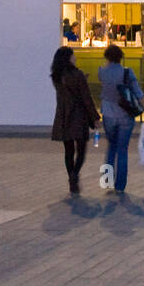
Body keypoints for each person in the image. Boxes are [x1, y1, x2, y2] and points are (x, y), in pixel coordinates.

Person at [97, 44, 144, 195]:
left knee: (111, 147)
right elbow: (139, 94)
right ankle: (120, 186)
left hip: (108, 114)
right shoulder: (127, 73)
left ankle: (107, 181)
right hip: (125, 116)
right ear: (121, 57)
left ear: (107, 57)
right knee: (122, 150)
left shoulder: (102, 72)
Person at [50, 46, 99, 195]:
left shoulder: (56, 76)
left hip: (63, 115)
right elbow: (86, 98)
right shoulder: (77, 75)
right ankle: (74, 175)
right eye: (73, 56)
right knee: (81, 149)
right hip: (78, 116)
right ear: (68, 58)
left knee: (68, 150)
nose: (75, 58)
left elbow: (67, 90)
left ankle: (71, 176)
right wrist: (95, 117)